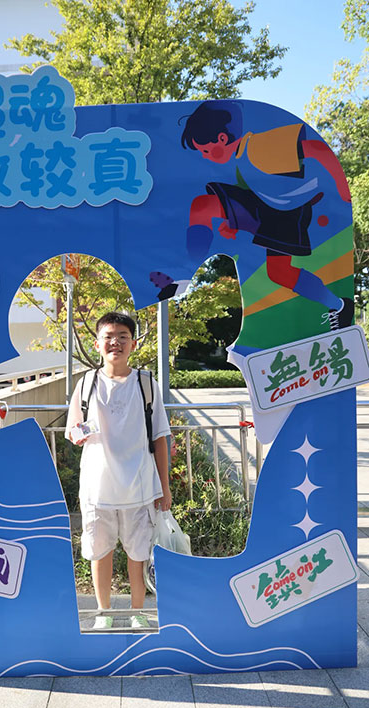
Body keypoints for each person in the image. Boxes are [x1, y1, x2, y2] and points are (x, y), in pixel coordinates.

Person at [151, 102, 353, 330]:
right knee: (202, 206)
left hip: (288, 214)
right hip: (263, 205)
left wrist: (340, 186)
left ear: (222, 139)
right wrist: (231, 221)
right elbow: (252, 191)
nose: (206, 157)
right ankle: (183, 274)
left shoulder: (259, 145)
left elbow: (316, 149)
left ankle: (338, 306)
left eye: (206, 151)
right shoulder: (240, 159)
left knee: (279, 272)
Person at [65, 312, 172, 630]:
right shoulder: (86, 384)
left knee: (138, 556)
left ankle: (138, 612)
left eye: (123, 337)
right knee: (100, 553)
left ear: (133, 344)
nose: (116, 342)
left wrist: (164, 488)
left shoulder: (146, 384)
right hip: (97, 488)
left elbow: (160, 438)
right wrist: (77, 434)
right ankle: (104, 613)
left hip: (139, 486)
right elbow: (72, 429)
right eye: (109, 337)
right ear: (97, 344)